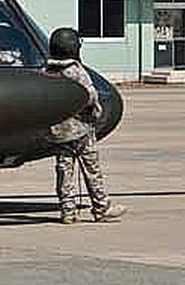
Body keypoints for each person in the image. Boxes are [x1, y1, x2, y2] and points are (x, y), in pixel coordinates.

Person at [45, 27, 126, 225]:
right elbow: (89, 95)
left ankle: (67, 210)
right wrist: (95, 112)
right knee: (91, 169)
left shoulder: (47, 71)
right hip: (80, 129)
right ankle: (101, 207)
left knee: (64, 170)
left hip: (59, 131)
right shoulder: (76, 71)